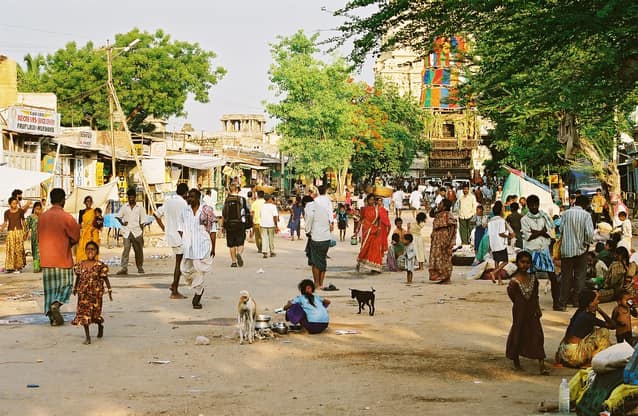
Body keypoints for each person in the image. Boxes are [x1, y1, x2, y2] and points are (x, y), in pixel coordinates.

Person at [38, 188, 81, 326]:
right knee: (67, 286)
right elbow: (75, 236)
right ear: (63, 200)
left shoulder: (42, 217)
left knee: (50, 291)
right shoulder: (67, 217)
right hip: (63, 259)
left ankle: (53, 319)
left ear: (51, 199)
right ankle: (57, 304)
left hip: (46, 260)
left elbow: (38, 237)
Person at [506, 251, 549, 375]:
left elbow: (535, 296)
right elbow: (512, 296)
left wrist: (537, 308)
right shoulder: (514, 281)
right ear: (518, 263)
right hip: (519, 312)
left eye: (527, 262)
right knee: (519, 333)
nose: (525, 265)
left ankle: (541, 364)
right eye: (522, 262)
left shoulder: (533, 279)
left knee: (537, 335)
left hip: (532, 311)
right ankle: (516, 360)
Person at [556, 289, 615, 368]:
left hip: (565, 352)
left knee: (594, 331)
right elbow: (612, 326)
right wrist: (600, 310)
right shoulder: (587, 317)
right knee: (604, 332)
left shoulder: (580, 311)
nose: (598, 302)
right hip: (574, 356)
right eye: (597, 299)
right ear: (590, 303)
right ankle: (591, 362)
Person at [179, 188, 217, 309]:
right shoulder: (185, 211)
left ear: (198, 198)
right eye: (188, 196)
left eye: (192, 197)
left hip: (202, 246)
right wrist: (184, 240)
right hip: (188, 247)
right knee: (185, 270)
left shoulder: (206, 211)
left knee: (200, 271)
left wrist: (213, 247)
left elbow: (213, 230)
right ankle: (196, 287)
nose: (189, 199)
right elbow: (180, 228)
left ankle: (198, 295)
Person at [521, 195, 560, 310]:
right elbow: (528, 236)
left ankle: (556, 303)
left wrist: (536, 232)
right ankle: (534, 304)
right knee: (532, 279)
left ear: (538, 204)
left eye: (536, 205)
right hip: (531, 250)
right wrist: (541, 232)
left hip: (544, 249)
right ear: (527, 206)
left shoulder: (545, 216)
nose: (534, 207)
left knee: (552, 276)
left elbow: (550, 232)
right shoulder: (524, 219)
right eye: (531, 205)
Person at [72, 241, 112, 345]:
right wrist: (75, 288)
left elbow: (105, 278)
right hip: (83, 295)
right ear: (85, 251)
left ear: (97, 252)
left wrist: (109, 290)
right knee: (84, 316)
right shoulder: (80, 265)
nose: (90, 251)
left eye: (93, 249)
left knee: (95, 316)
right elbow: (78, 277)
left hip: (96, 295)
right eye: (88, 249)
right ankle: (88, 337)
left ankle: (100, 325)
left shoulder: (100, 265)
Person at [153, 183, 189, 299]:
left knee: (180, 262)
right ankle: (174, 290)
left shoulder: (168, 201)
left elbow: (156, 215)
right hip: (180, 236)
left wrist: (164, 228)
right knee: (180, 264)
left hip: (171, 236)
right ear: (185, 193)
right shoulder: (183, 203)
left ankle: (174, 285)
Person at [559, 195, 594, 310]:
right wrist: (586, 243)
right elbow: (589, 234)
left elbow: (560, 230)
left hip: (566, 250)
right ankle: (577, 301)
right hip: (581, 250)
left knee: (566, 277)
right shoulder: (586, 215)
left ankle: (563, 303)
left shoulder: (565, 214)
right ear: (585, 205)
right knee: (580, 276)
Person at [356, 194, 391, 273]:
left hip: (375, 231)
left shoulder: (377, 209)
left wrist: (378, 228)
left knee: (375, 249)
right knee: (365, 248)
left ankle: (375, 267)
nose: (371, 201)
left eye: (373, 200)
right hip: (366, 231)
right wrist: (357, 230)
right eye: (370, 200)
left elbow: (379, 219)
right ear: (367, 200)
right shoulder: (364, 209)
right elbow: (361, 220)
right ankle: (359, 262)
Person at [115, 189, 146, 275]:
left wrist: (141, 233)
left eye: (132, 197)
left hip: (137, 232)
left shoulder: (140, 208)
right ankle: (124, 268)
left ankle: (140, 267)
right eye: (129, 197)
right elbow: (118, 216)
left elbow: (142, 221)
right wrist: (122, 223)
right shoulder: (124, 207)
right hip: (127, 232)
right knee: (126, 250)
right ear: (128, 198)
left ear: (135, 197)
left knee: (138, 251)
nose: (131, 199)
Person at [305, 193, 332, 289]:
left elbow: (309, 219)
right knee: (322, 260)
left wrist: (307, 231)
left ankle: (316, 283)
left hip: (316, 237)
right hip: (326, 238)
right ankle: (321, 283)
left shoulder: (309, 207)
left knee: (315, 262)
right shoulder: (321, 208)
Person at [428, 199, 457, 283]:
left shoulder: (448, 215)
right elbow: (431, 214)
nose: (439, 204)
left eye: (440, 203)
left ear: (444, 206)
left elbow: (452, 228)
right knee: (437, 258)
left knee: (444, 258)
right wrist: (434, 208)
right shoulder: (438, 214)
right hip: (436, 239)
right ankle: (441, 276)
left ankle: (446, 277)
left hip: (444, 239)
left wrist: (449, 241)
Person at [221, 183, 248, 267]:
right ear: (237, 190)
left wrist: (222, 225)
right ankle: (239, 253)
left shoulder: (227, 199)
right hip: (240, 223)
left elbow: (223, 213)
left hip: (229, 224)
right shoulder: (242, 199)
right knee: (240, 242)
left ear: (230, 190)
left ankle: (233, 262)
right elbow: (246, 212)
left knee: (231, 244)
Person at [488, 201, 514, 285]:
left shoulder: (490, 221)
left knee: (497, 261)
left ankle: (499, 280)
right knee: (505, 261)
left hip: (493, 243)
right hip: (500, 244)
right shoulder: (501, 221)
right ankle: (494, 273)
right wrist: (509, 237)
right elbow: (501, 233)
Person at [1, 196, 26, 273]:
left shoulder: (20, 211)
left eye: (16, 203)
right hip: (10, 232)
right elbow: (5, 223)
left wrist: (26, 231)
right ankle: (11, 266)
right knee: (11, 249)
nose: (15, 205)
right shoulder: (7, 212)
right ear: (10, 204)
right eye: (13, 203)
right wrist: (1, 229)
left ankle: (19, 267)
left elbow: (23, 222)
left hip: (19, 232)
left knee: (19, 249)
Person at [77, 195, 101, 262]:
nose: (89, 203)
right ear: (84, 202)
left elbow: (100, 222)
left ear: (92, 202)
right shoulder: (81, 212)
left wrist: (94, 228)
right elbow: (79, 224)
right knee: (83, 249)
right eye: (87, 201)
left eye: (90, 201)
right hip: (84, 234)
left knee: (93, 249)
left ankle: (94, 266)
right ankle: (83, 265)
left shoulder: (94, 211)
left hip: (93, 234)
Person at [259, 194, 279, 258]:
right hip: (271, 224)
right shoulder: (273, 206)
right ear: (270, 199)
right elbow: (275, 216)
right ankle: (272, 251)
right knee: (271, 238)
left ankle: (265, 251)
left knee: (264, 238)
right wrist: (276, 225)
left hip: (263, 224)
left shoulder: (262, 206)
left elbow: (260, 215)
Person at [25, 202, 42, 272]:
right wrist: (26, 235)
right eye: (37, 208)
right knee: (35, 251)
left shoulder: (43, 216)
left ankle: (41, 266)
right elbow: (27, 227)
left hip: (42, 236)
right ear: (34, 209)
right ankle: (36, 267)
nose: (38, 210)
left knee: (42, 251)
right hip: (34, 237)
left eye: (39, 209)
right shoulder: (30, 217)